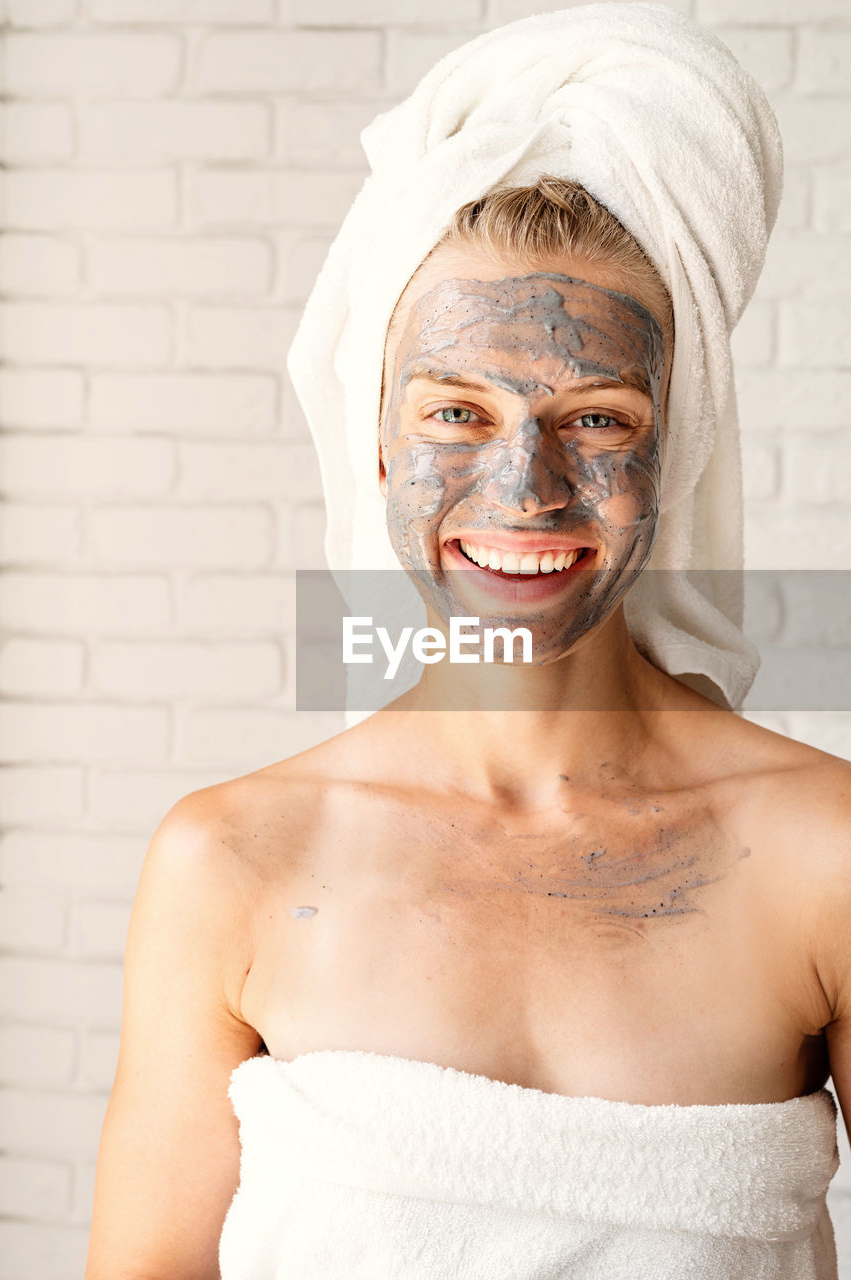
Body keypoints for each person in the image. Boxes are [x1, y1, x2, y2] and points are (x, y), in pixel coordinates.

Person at [84, 6, 849, 1278]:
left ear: (674, 450)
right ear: (374, 447)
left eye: (594, 418)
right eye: (457, 410)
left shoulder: (823, 851)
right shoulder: (229, 861)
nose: (523, 488)